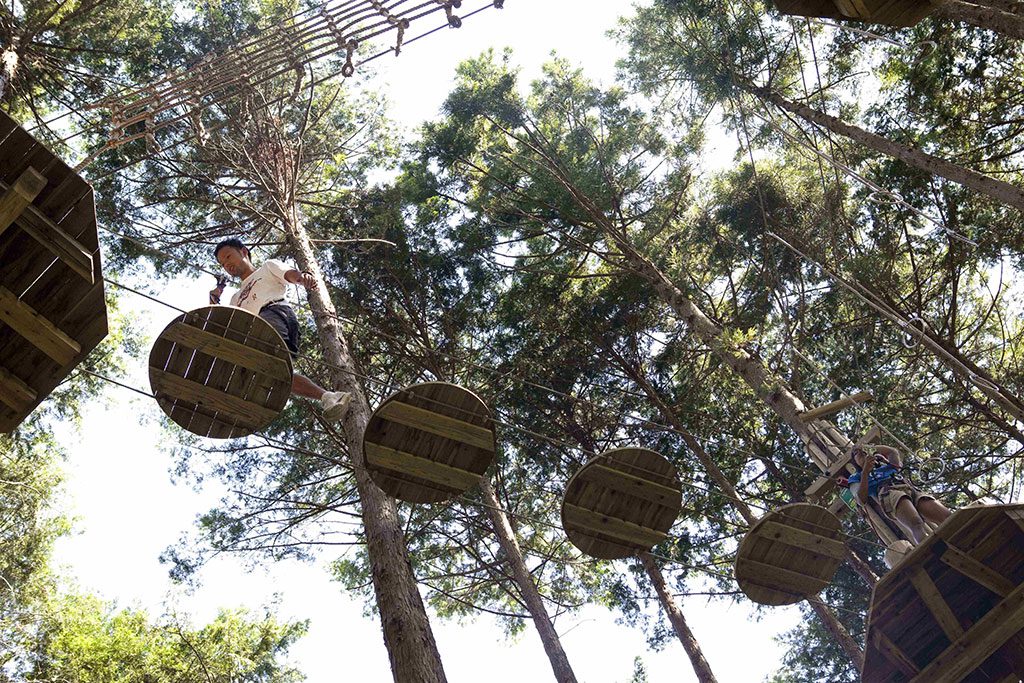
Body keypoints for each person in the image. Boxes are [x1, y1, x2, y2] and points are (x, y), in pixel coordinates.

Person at [209, 238, 350, 422]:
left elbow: (289, 274)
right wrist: (213, 301)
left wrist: (301, 278)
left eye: (228, 256)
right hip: (255, 330)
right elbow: (227, 327)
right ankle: (329, 397)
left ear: (243, 252)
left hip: (275, 313)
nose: (227, 264)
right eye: (222, 263)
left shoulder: (267, 268)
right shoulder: (235, 299)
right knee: (276, 373)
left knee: (268, 364)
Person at [849, 444, 951, 543]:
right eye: (857, 453)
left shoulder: (885, 465)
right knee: (916, 523)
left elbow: (892, 451)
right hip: (888, 493)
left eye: (863, 451)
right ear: (854, 461)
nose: (862, 453)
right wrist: (866, 471)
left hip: (907, 488)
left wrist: (870, 448)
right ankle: (934, 551)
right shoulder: (855, 477)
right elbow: (860, 499)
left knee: (945, 515)